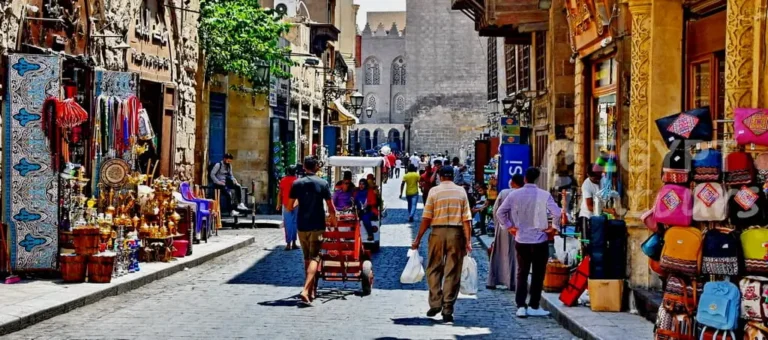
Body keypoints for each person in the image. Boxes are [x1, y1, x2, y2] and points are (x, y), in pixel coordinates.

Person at [411, 166, 473, 323]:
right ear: (452, 176)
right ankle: (447, 308)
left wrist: (418, 238)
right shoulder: (461, 192)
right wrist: (468, 240)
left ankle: (436, 301)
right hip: (456, 233)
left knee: (433, 267)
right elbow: (467, 219)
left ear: (439, 176)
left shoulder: (434, 191)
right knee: (452, 270)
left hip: (437, 232)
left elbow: (426, 218)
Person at [497, 167, 560, 318]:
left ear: (525, 179)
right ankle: (534, 305)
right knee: (538, 274)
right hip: (540, 240)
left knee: (522, 273)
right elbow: (557, 212)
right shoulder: (544, 195)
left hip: (522, 238)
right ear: (537, 179)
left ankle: (520, 305)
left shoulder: (515, 194)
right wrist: (554, 228)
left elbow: (500, 212)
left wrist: (509, 227)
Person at [287, 157, 337, 305]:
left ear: (303, 167)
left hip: (302, 225)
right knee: (315, 257)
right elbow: (330, 205)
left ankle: (311, 290)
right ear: (316, 167)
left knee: (307, 258)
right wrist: (333, 218)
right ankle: (305, 290)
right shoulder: (323, 183)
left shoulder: (296, 183)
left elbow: (290, 206)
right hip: (317, 224)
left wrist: (301, 201)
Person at [487, 174, 524, 290]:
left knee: (500, 253)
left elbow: (495, 211)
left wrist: (498, 225)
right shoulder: (524, 194)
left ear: (512, 182)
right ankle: (514, 282)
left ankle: (494, 280)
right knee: (516, 255)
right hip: (518, 228)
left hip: (503, 228)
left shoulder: (503, 193)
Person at [277, 166, 299, 251]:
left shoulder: (283, 180)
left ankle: (288, 244)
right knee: (295, 223)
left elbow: (280, 193)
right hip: (296, 204)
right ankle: (294, 243)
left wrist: (278, 203)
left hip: (286, 204)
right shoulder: (297, 181)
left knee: (287, 223)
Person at [578, 165, 603, 234]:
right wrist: (607, 210)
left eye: (599, 176)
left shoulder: (602, 178)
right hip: (587, 216)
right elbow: (590, 207)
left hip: (598, 216)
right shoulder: (586, 186)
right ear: (589, 176)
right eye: (596, 178)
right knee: (588, 242)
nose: (598, 179)